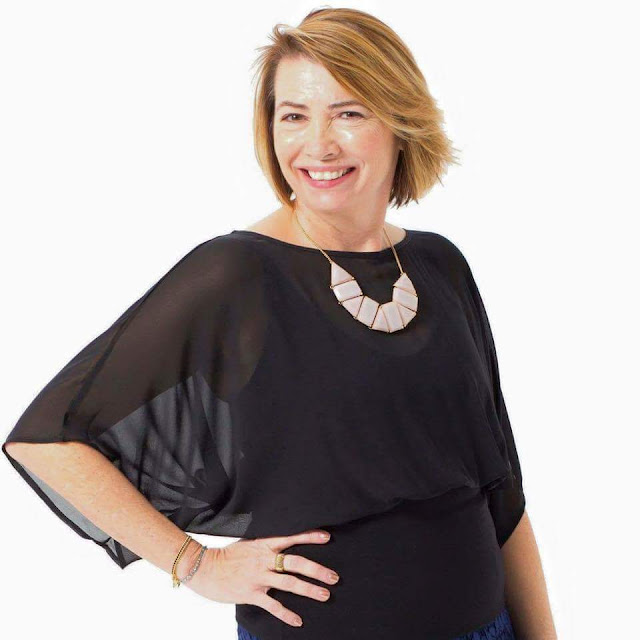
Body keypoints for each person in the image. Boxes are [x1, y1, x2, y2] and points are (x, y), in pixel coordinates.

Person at [3, 7, 556, 640]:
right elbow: (48, 441)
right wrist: (197, 564)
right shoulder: (236, 273)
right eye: (294, 116)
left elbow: (503, 494)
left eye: (348, 113)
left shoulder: (440, 265)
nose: (318, 145)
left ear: (400, 121)